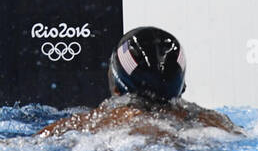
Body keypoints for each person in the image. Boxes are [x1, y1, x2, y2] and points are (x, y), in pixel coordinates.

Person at [37, 27, 238, 139]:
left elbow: (21, 147)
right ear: (182, 86)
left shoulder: (93, 123)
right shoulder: (215, 122)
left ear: (116, 86)